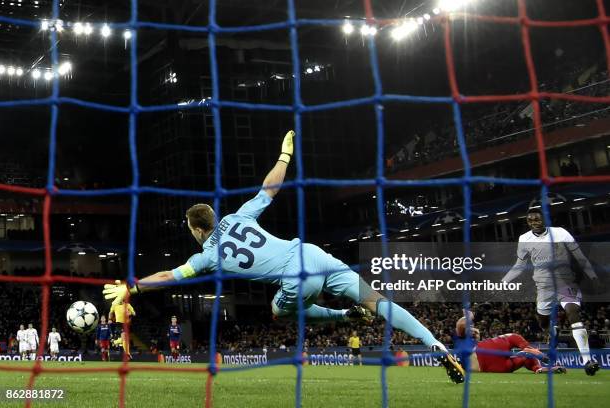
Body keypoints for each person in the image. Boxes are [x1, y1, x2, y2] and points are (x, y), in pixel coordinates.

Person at [103, 130, 465, 383]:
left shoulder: (206, 257)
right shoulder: (237, 216)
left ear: (197, 230)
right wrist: (285, 155)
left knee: (278, 310)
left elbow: (168, 276)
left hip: (294, 276)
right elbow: (269, 188)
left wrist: (131, 288)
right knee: (377, 299)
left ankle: (341, 314)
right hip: (310, 251)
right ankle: (433, 342)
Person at [501, 207, 601, 375]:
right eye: (530, 220)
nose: (534, 223)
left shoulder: (561, 233)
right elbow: (519, 266)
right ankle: (552, 331)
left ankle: (587, 361)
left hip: (565, 281)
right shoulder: (524, 239)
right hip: (544, 286)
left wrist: (593, 277)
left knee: (573, 312)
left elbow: (580, 257)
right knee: (544, 323)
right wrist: (504, 281)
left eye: (537, 219)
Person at [454, 317, 566, 374]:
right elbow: (462, 326)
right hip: (488, 351)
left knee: (522, 356)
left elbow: (461, 328)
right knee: (517, 342)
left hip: (492, 368)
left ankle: (538, 366)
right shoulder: (465, 341)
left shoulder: (461, 345)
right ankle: (538, 362)